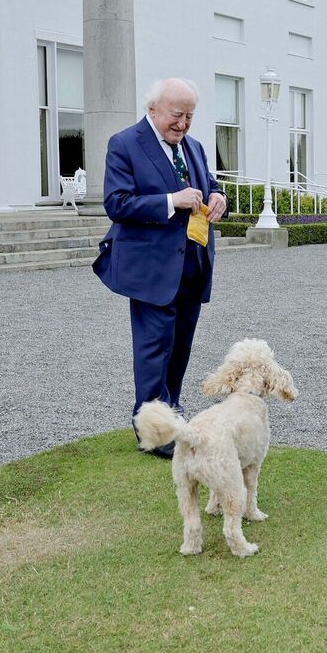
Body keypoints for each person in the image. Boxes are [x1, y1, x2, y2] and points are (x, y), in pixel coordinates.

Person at [93, 77, 229, 458]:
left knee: (180, 346)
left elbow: (211, 184)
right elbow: (117, 204)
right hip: (151, 268)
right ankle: (151, 429)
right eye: (177, 115)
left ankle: (169, 410)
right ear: (153, 109)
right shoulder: (124, 144)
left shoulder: (195, 147)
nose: (183, 124)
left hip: (193, 264)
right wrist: (172, 200)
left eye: (189, 116)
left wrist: (219, 197)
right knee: (154, 348)